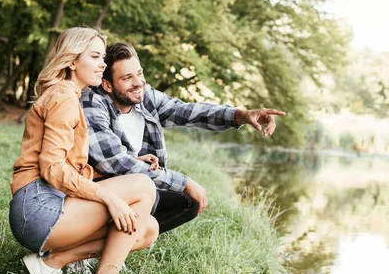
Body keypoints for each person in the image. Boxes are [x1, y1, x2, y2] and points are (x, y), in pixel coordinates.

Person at [9, 28, 159, 274]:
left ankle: (53, 263)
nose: (103, 64)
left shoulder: (68, 95)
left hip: (43, 207)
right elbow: (52, 168)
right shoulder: (64, 97)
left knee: (147, 228)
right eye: (95, 56)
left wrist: (130, 163)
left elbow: (68, 166)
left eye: (103, 57)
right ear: (72, 61)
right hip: (38, 209)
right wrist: (109, 198)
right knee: (143, 186)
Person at [79, 42, 285, 235]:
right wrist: (183, 181)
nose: (138, 83)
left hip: (134, 186)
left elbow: (189, 111)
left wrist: (241, 115)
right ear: (107, 85)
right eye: (127, 78)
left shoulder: (145, 98)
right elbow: (115, 162)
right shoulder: (93, 103)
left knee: (189, 201)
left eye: (139, 74)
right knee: (163, 192)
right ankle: (83, 242)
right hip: (96, 190)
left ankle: (114, 243)